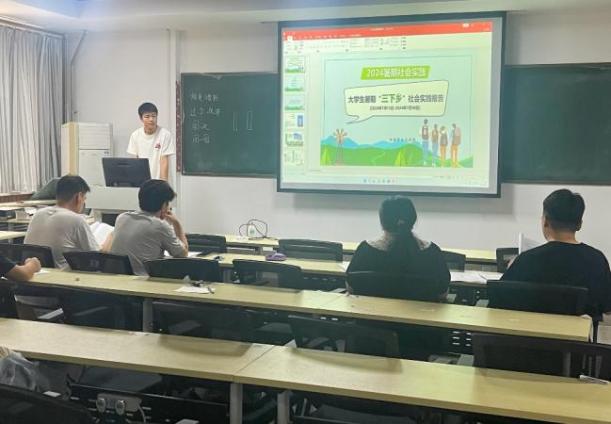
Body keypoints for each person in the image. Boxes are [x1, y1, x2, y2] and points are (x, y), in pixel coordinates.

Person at [502, 189, 611, 317]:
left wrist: (513, 267)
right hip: (579, 330)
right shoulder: (597, 260)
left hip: (532, 328)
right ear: (579, 224)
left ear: (546, 221)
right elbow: (607, 307)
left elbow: (500, 300)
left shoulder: (526, 260)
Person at [347, 196, 450, 300]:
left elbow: (351, 287)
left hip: (369, 310)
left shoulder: (365, 250)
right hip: (420, 310)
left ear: (382, 221)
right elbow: (442, 293)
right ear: (413, 219)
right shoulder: (432, 252)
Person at [108, 179, 188, 275]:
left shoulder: (122, 218)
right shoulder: (160, 226)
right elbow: (183, 255)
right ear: (164, 205)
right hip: (143, 280)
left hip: (116, 279)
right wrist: (176, 223)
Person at [24, 175, 102, 269]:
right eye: (84, 198)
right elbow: (96, 256)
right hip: (62, 275)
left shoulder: (38, 214)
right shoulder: (77, 220)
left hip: (35, 273)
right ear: (79, 197)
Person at [127, 102, 175, 181]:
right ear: (141, 118)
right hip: (142, 182)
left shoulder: (165, 135)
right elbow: (135, 162)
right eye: (147, 116)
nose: (151, 119)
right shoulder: (135, 135)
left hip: (159, 182)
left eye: (153, 116)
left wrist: (163, 185)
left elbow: (164, 162)